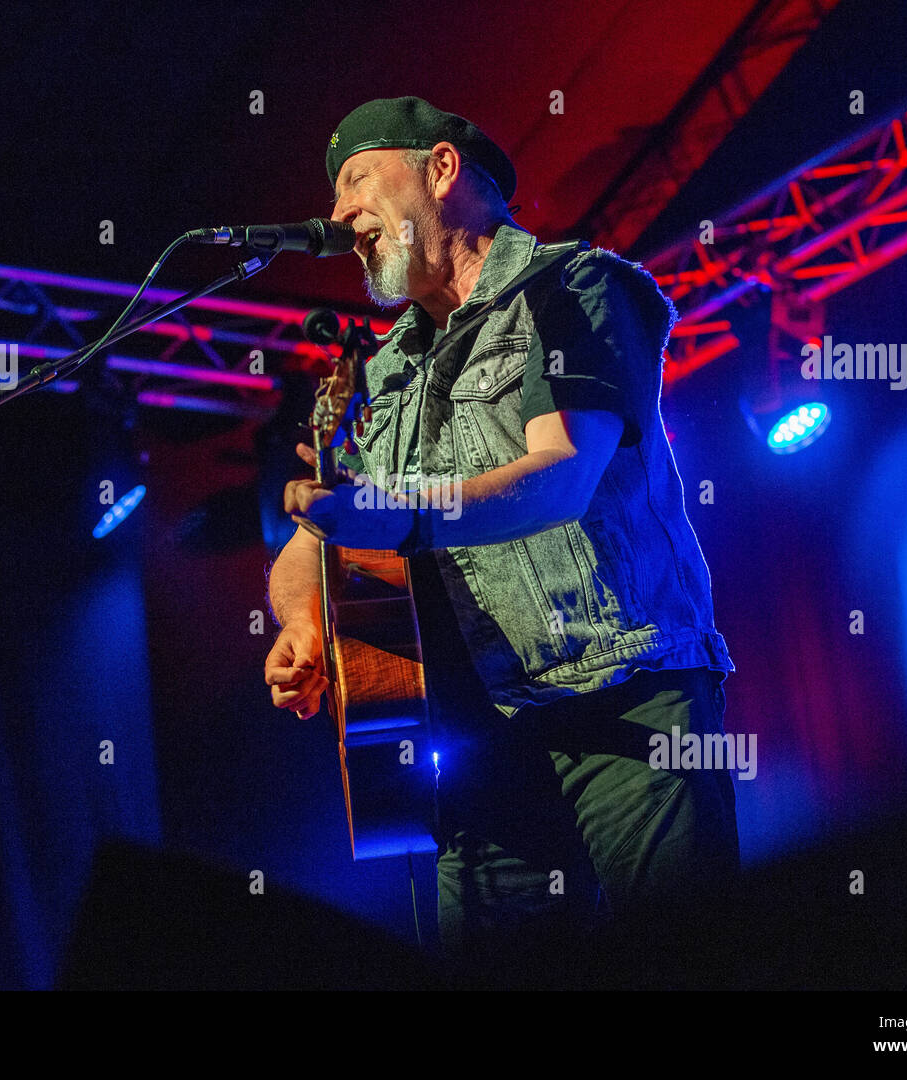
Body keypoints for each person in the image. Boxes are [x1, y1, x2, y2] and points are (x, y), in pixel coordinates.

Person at [264, 97, 738, 980]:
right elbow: (316, 542)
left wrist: (401, 511)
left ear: (441, 170)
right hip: (483, 753)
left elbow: (562, 473)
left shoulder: (576, 289)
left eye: (357, 179)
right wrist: (300, 622)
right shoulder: (383, 371)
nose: (337, 217)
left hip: (626, 702)